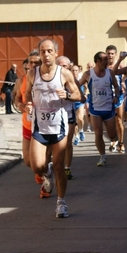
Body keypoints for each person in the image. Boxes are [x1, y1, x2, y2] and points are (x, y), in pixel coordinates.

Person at [25, 39, 81, 218]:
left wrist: (68, 95)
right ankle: (46, 173)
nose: (46, 55)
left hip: (59, 125)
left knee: (59, 166)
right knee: (37, 166)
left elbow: (78, 95)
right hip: (40, 125)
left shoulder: (64, 74)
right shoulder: (32, 74)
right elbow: (27, 95)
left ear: (56, 53)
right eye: (43, 51)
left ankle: (61, 203)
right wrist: (27, 105)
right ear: (39, 54)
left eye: (50, 51)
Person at [14, 51, 51, 198]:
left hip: (45, 124)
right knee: (28, 161)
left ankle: (46, 182)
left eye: (37, 62)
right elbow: (17, 99)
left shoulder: (48, 79)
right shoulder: (21, 80)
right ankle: (44, 172)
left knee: (43, 158)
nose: (33, 65)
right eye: (31, 62)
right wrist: (21, 106)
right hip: (28, 124)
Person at [79, 51, 120, 166]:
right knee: (98, 132)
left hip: (108, 108)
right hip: (95, 109)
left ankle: (114, 140)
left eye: (108, 60)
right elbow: (77, 85)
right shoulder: (88, 74)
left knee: (112, 134)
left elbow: (117, 87)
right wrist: (81, 96)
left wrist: (116, 96)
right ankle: (102, 156)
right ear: (98, 61)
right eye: (105, 60)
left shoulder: (110, 73)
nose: (107, 62)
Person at [56, 56, 86, 180]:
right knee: (55, 144)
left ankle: (67, 168)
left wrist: (68, 95)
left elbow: (82, 98)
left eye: (65, 66)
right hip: (54, 116)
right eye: (60, 66)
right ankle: (56, 166)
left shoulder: (73, 81)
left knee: (67, 144)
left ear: (69, 67)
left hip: (68, 114)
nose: (62, 68)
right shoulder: (51, 79)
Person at [106, 45, 126, 153]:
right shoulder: (103, 66)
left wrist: (123, 82)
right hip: (107, 97)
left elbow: (125, 76)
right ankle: (113, 140)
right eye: (108, 53)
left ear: (115, 54)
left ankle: (121, 142)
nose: (110, 55)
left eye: (112, 53)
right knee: (110, 121)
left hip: (118, 96)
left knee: (119, 121)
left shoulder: (119, 66)